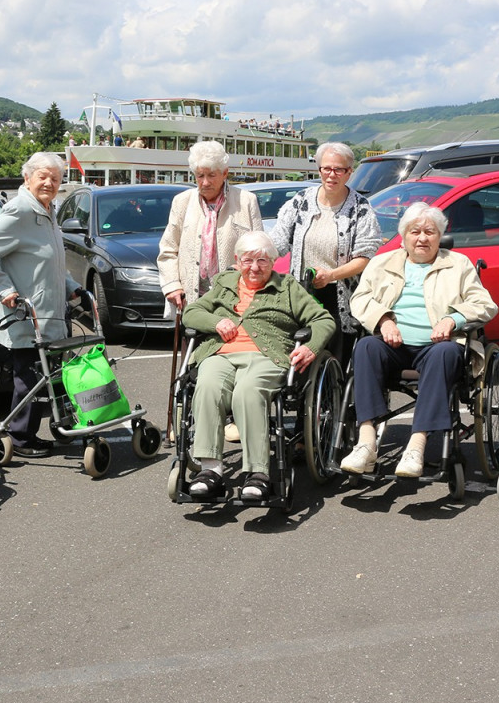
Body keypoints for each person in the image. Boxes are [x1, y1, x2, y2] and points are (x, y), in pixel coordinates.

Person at [340, 202, 497, 478]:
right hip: (392, 345)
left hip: (437, 346)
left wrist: (454, 319)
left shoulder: (457, 264)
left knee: (446, 352)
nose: (422, 238)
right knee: (365, 346)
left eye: (430, 232)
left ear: (440, 236)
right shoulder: (382, 262)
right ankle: (366, 442)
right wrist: (383, 319)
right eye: (415, 231)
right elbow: (360, 299)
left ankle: (416, 446)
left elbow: (485, 304)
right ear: (404, 236)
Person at [180, 231, 335, 500]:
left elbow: (323, 320)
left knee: (248, 391)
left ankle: (258, 473)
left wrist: (310, 348)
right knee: (207, 385)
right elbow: (191, 313)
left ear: (273, 262)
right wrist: (215, 323)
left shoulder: (287, 287)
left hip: (267, 357)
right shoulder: (224, 285)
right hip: (221, 354)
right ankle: (210, 471)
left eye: (262, 261)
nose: (254, 268)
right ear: (238, 261)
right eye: (248, 260)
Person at [0, 152, 82, 458]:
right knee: (29, 376)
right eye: (42, 177)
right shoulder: (20, 209)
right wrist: (2, 288)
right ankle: (20, 437)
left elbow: (50, 261)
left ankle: (57, 424)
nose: (49, 183)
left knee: (50, 372)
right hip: (27, 312)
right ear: (27, 178)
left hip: (50, 310)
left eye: (55, 178)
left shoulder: (47, 210)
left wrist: (73, 288)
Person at [272, 141, 383, 362]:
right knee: (297, 351)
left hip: (340, 295)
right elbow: (278, 241)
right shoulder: (301, 201)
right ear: (319, 169)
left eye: (339, 169)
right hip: (302, 291)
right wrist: (256, 258)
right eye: (327, 168)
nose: (332, 175)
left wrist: (331, 275)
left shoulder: (360, 208)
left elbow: (364, 258)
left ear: (349, 172)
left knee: (335, 356)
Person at [157, 139, 263, 311]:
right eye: (200, 176)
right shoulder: (182, 202)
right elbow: (168, 249)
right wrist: (172, 285)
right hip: (191, 300)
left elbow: (259, 251)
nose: (205, 182)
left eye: (211, 175)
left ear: (225, 173)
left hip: (236, 299)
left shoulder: (246, 201)